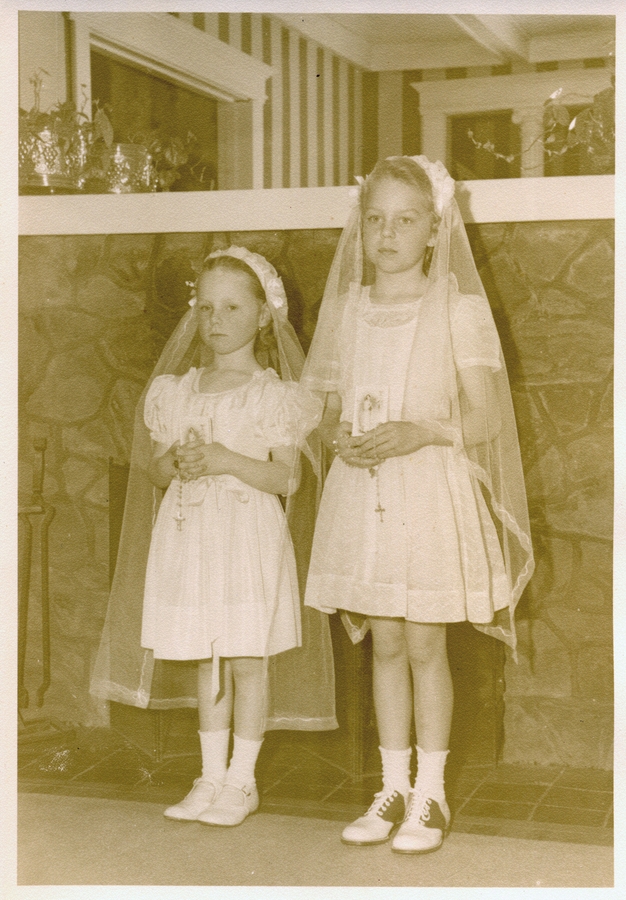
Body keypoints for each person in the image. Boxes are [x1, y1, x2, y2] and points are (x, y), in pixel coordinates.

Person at [302, 156, 534, 855]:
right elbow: (329, 408)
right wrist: (339, 436)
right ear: (360, 225)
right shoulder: (347, 311)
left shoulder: (456, 309)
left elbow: (487, 421)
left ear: (435, 229)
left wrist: (421, 430)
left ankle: (429, 796)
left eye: (405, 220)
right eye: (375, 219)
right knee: (386, 643)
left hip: (428, 489)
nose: (387, 233)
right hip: (366, 492)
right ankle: (391, 785)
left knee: (426, 643)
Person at [90, 245, 336, 827]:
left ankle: (242, 781)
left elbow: (287, 475)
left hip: (246, 536)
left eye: (231, 307)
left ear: (262, 317)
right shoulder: (176, 391)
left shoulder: (272, 395)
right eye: (206, 307)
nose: (216, 320)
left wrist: (226, 458)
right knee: (209, 658)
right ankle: (209, 774)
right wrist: (177, 460)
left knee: (248, 658)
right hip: (191, 533)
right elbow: (154, 468)